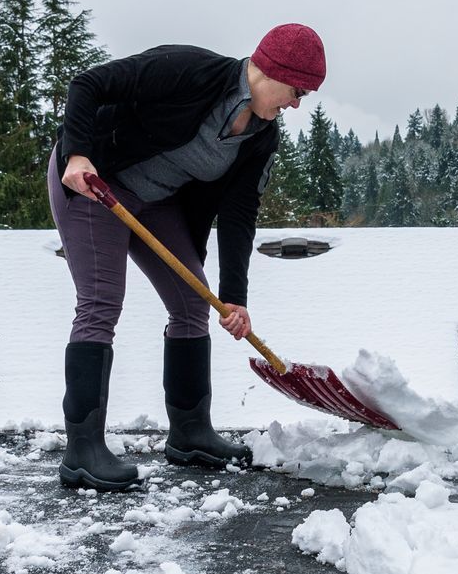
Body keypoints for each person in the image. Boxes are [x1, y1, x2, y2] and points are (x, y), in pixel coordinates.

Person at [46, 24, 326, 491]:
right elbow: (88, 85)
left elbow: (240, 214)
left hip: (156, 202)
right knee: (101, 301)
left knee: (194, 303)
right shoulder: (189, 69)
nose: (296, 103)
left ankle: (190, 433)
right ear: (271, 70)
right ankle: (83, 450)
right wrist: (77, 155)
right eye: (297, 90)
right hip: (96, 183)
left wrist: (234, 298)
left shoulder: (261, 137)